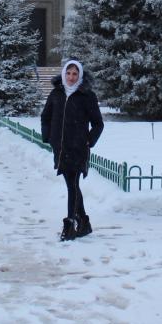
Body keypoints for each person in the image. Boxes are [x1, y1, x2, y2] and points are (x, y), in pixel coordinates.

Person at [40, 58, 104, 241]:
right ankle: (83, 221)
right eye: (68, 73)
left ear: (80, 76)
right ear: (63, 74)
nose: (71, 77)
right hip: (60, 148)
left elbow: (98, 124)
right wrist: (49, 138)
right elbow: (46, 116)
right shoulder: (56, 94)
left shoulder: (87, 96)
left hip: (78, 148)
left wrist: (88, 142)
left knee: (73, 185)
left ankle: (70, 224)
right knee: (72, 185)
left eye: (75, 74)